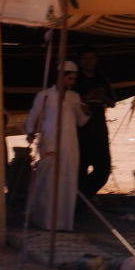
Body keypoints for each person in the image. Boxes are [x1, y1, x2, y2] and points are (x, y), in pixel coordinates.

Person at [24, 60, 90, 230]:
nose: (72, 82)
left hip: (70, 145)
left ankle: (63, 224)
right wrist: (30, 131)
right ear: (61, 76)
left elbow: (81, 121)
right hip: (50, 141)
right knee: (48, 182)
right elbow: (33, 115)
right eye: (69, 78)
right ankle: (44, 221)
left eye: (74, 79)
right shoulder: (45, 95)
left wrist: (86, 112)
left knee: (67, 181)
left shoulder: (74, 97)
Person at [73, 46, 115, 198]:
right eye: (85, 59)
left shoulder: (101, 78)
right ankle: (79, 204)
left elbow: (112, 102)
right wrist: (87, 96)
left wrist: (103, 97)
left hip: (98, 129)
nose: (89, 62)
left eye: (92, 58)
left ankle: (82, 198)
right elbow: (67, 103)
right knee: (80, 169)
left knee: (103, 169)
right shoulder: (74, 80)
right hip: (79, 131)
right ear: (79, 61)